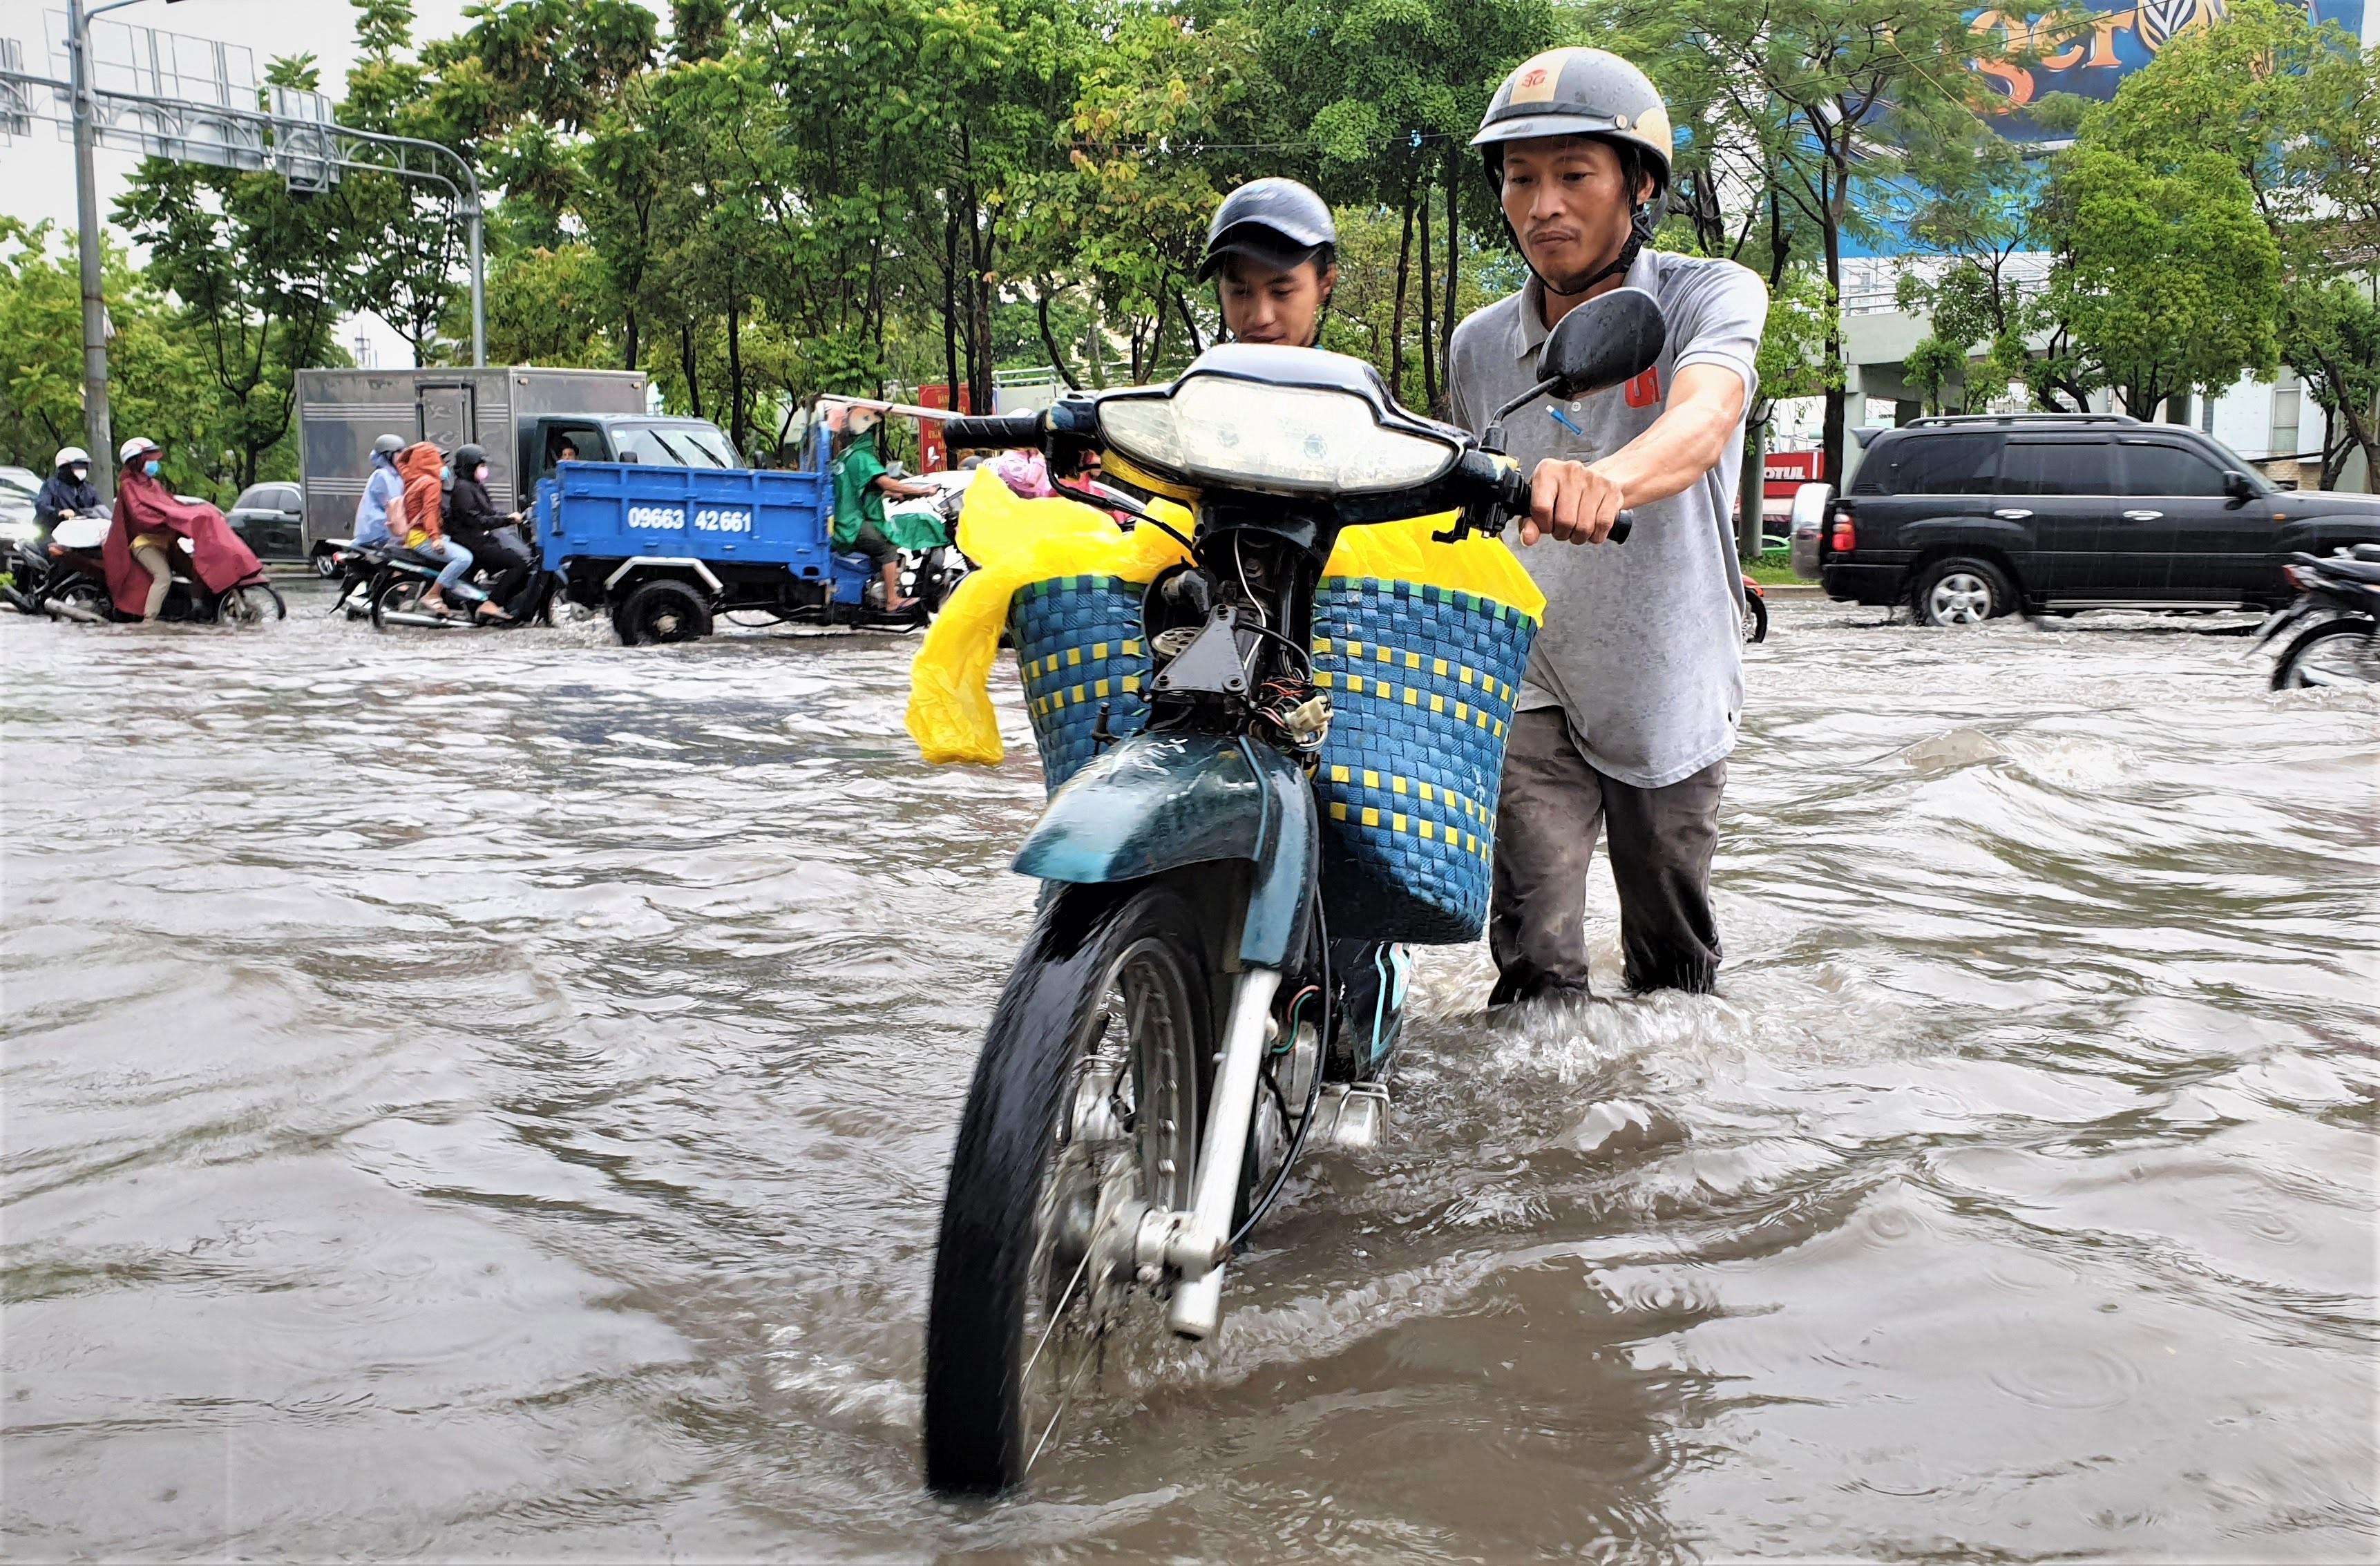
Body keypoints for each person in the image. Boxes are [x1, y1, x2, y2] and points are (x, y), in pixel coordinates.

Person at [1447, 48, 1767, 1004]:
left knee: (1674, 975)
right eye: (1520, 179)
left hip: (1665, 669)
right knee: (1535, 961)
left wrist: (1603, 482)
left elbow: (1704, 417)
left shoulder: (1708, 295)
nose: (1543, 205)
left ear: (1639, 184)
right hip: (1529, 671)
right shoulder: (1478, 345)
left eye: (1574, 175)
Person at [1197, 177, 1413, 1079]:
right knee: (1170, 735)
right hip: (1222, 629)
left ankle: (1356, 1023)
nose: (1258, 313)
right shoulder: (1198, 393)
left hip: (1332, 642)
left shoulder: (1357, 399)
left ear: (1324, 283)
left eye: (1280, 289)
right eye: (1238, 290)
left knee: (1349, 825)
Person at [102, 437, 263, 622]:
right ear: (137, 461)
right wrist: (170, 520)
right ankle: (149, 623)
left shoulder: (154, 485)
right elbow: (140, 515)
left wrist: (193, 514)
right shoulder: (128, 486)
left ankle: (198, 608)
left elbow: (172, 505)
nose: (154, 463)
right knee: (163, 577)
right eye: (149, 458)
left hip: (166, 543)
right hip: (145, 543)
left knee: (199, 572)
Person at [832, 409, 938, 612]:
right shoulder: (862, 457)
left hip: (845, 519)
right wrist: (922, 490)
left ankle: (879, 586)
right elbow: (884, 481)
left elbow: (856, 489)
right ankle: (892, 600)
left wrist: (892, 494)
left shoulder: (846, 456)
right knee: (888, 546)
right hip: (852, 524)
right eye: (873, 430)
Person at [395, 440, 497, 620]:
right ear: (429, 461)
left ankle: (456, 597)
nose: (443, 465)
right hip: (424, 537)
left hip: (415, 535)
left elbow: (401, 462)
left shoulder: (414, 476)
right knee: (464, 558)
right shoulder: (431, 483)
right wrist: (435, 539)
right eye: (439, 460)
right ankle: (433, 594)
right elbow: (429, 513)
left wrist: (410, 452)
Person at [442, 442, 529, 618]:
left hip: (480, 539)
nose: (484, 469)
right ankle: (492, 603)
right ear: (470, 467)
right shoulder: (463, 489)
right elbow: (476, 520)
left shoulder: (475, 486)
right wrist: (507, 520)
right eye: (481, 465)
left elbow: (489, 512)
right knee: (518, 565)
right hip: (474, 542)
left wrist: (511, 516)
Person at [35, 447, 99, 524]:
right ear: (65, 468)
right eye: (78, 466)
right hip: (55, 528)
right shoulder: (52, 485)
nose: (83, 469)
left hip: (82, 528)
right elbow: (42, 506)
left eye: (85, 466)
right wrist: (60, 512)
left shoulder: (88, 488)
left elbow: (99, 507)